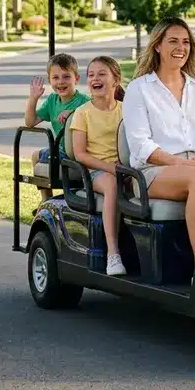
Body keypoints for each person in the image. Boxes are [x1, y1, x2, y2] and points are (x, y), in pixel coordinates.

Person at [123, 17, 195, 264]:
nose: (181, 47)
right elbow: (140, 145)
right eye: (173, 41)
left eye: (186, 42)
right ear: (158, 46)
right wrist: (185, 165)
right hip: (153, 171)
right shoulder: (139, 88)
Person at [68, 56, 128, 276]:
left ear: (116, 80)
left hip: (126, 168)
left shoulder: (126, 109)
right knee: (112, 185)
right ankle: (113, 254)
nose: (95, 78)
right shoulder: (83, 113)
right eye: (91, 75)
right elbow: (80, 153)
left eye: (102, 74)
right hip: (96, 171)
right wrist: (110, 167)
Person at [24, 53, 90, 201]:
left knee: (41, 155)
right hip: (61, 151)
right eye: (55, 78)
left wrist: (74, 113)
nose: (61, 82)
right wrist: (33, 98)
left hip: (78, 152)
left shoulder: (85, 102)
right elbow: (30, 122)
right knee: (36, 155)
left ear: (76, 79)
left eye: (66, 77)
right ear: (50, 80)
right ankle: (45, 199)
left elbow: (93, 115)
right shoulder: (52, 100)